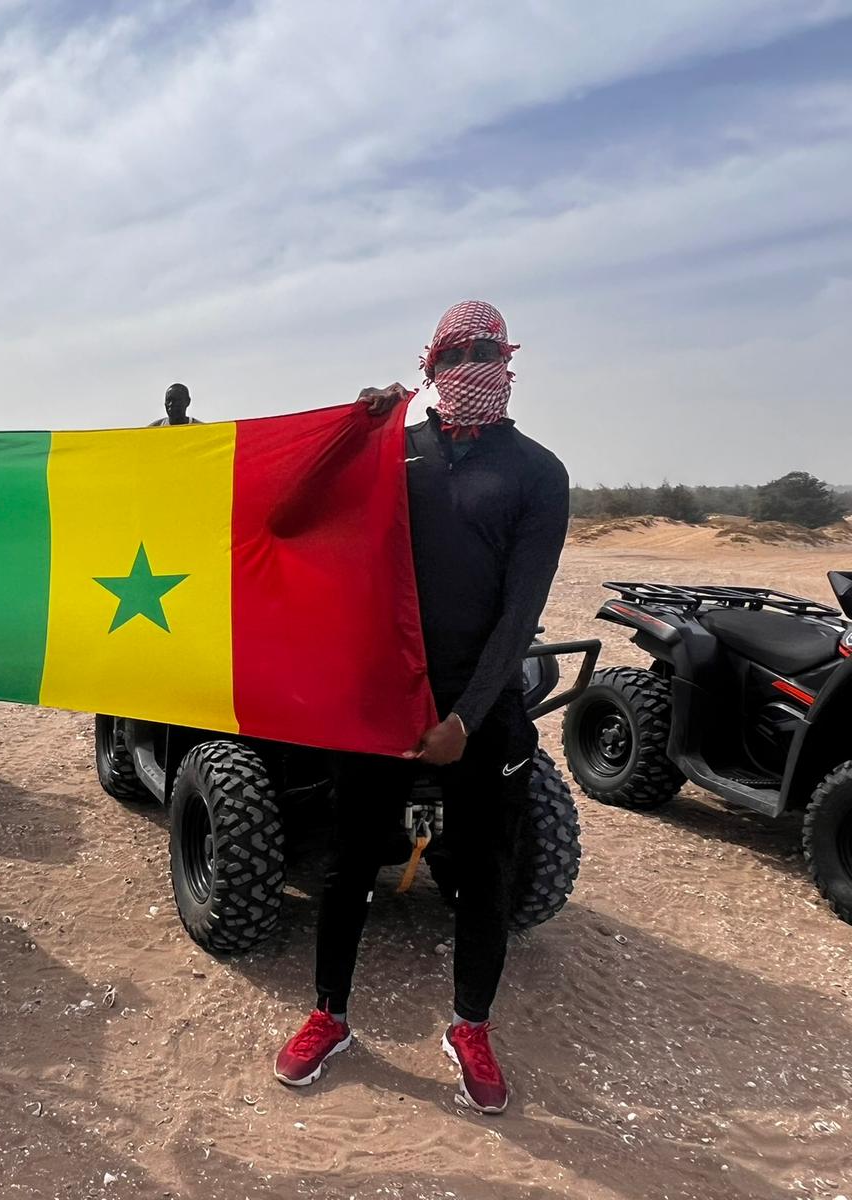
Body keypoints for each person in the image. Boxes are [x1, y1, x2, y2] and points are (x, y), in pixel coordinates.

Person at [274, 300, 569, 1116]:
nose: (471, 364)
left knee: (484, 876)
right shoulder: (392, 456)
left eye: (486, 349)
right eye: (455, 351)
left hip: (481, 715)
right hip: (382, 703)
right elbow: (285, 517)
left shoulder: (536, 473)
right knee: (346, 867)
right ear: (430, 362)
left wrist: (466, 719)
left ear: (509, 358)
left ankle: (471, 1027)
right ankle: (329, 1015)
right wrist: (352, 433)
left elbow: (520, 614)